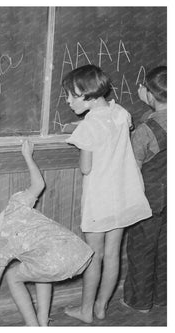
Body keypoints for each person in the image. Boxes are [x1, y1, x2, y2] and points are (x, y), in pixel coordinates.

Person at [0, 140, 94, 326]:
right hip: (79, 251)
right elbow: (39, 184)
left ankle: (33, 326)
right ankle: (42, 322)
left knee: (12, 276)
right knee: (37, 266)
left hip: (57, 263)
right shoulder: (14, 205)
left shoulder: (0, 250)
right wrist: (27, 156)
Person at [62, 64, 152, 323]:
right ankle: (101, 307)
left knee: (94, 256)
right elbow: (113, 130)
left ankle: (86, 311)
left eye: (71, 95)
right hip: (123, 195)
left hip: (99, 198)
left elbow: (86, 167)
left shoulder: (88, 127)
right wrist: (79, 129)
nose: (68, 101)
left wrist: (80, 137)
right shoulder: (121, 112)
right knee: (112, 255)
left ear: (86, 93)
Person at [122, 66, 167, 313]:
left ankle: (138, 302)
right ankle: (163, 298)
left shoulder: (144, 131)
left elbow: (133, 172)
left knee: (141, 249)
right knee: (165, 250)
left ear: (150, 94)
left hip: (148, 199)